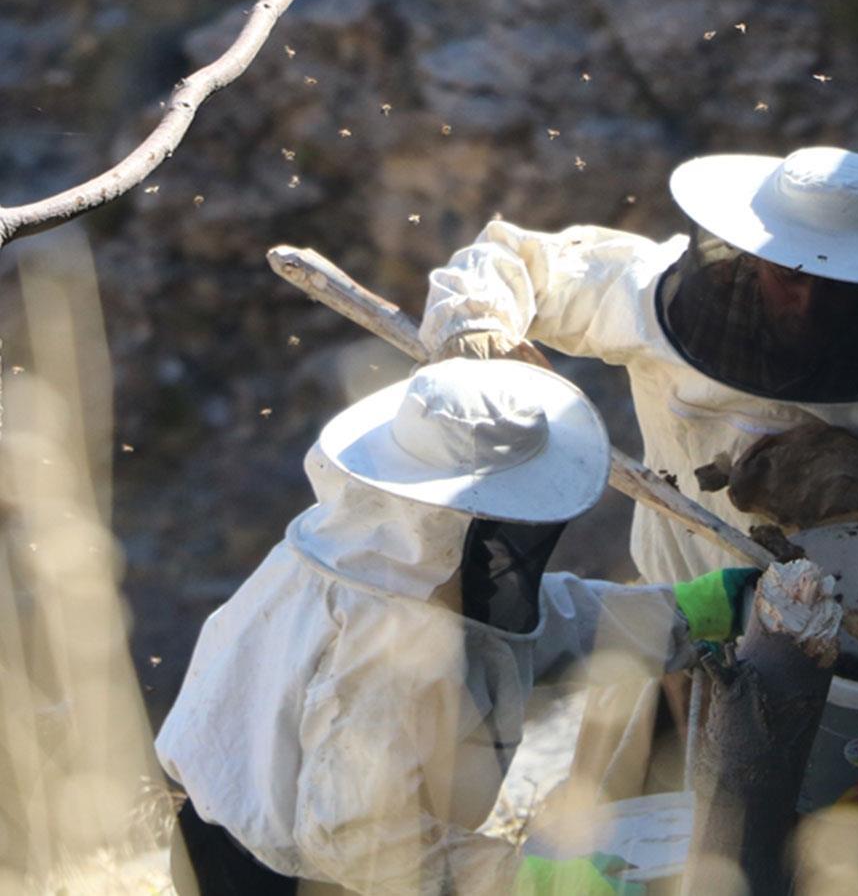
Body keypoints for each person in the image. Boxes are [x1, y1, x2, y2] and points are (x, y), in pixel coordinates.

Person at [422, 146, 858, 799]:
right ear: (756, 253)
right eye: (792, 275)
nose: (810, 304)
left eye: (837, 286)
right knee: (619, 835)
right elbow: (509, 261)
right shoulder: (652, 300)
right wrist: (477, 333)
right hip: (671, 622)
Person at [156, 358, 759, 896]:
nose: (513, 539)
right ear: (451, 521)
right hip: (278, 876)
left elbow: (517, 631)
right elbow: (352, 836)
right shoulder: (382, 640)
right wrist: (527, 881)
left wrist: (684, 614)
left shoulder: (380, 551)